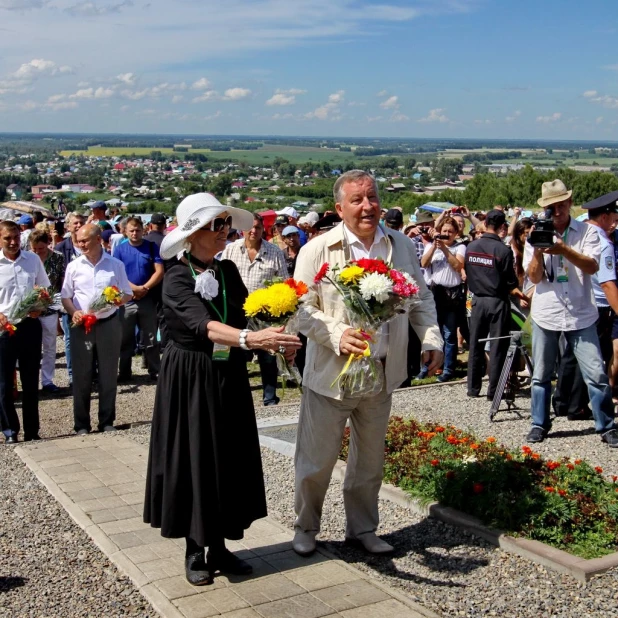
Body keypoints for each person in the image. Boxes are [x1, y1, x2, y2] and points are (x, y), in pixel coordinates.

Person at [143, 193, 300, 585]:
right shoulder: (177, 277)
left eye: (226, 223)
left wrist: (284, 324)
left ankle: (222, 546)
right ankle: (195, 548)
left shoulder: (228, 270)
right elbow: (204, 326)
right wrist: (251, 340)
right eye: (216, 225)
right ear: (192, 234)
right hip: (191, 376)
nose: (224, 231)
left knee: (228, 455)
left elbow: (249, 310)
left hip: (227, 373)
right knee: (195, 456)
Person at [292, 170, 443, 557]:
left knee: (370, 462)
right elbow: (301, 309)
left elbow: (420, 297)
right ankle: (306, 526)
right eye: (357, 200)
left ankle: (362, 529)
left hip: (380, 373)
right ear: (339, 208)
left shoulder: (400, 245)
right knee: (316, 460)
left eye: (372, 197)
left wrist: (430, 337)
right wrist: (336, 334)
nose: (367, 206)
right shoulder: (318, 249)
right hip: (330, 375)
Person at [523, 180, 618, 446]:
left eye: (561, 205)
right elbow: (534, 277)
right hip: (547, 313)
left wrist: (563, 249)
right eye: (551, 207)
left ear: (569, 203)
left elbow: (591, 266)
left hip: (580, 313)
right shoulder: (536, 234)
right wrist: (539, 253)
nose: (557, 211)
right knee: (540, 375)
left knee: (596, 374)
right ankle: (539, 424)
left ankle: (606, 425)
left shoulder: (586, 232)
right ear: (545, 208)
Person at [61, 224, 133, 435]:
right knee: (82, 376)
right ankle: (81, 424)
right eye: (78, 240)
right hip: (81, 326)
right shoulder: (74, 266)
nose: (80, 244)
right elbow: (65, 296)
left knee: (108, 375)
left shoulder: (115, 264)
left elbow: (127, 293)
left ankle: (106, 420)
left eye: (84, 240)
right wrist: (73, 311)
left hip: (108, 323)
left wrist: (115, 300)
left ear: (98, 239)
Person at [553, 192, 618, 419]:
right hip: (598, 306)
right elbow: (608, 282)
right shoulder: (603, 242)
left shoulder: (578, 232)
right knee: (589, 359)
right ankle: (577, 406)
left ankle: (562, 402)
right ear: (605, 216)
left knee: (570, 357)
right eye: (614, 215)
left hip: (574, 300)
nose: (616, 220)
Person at [221, 213, 288, 406]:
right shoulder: (231, 250)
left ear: (263, 229)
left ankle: (269, 397)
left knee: (268, 358)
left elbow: (283, 284)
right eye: (250, 227)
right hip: (236, 314)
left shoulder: (274, 252)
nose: (253, 231)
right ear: (242, 229)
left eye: (258, 227)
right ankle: (237, 397)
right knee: (237, 358)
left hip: (265, 315)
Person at [465, 210, 527, 400]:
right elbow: (510, 281)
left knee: (475, 344)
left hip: (477, 300)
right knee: (498, 346)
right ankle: (494, 390)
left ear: (485, 224)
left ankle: (473, 388)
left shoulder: (471, 246)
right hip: (498, 301)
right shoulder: (503, 250)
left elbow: (468, 271)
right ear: (502, 227)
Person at [0, 221, 50, 443]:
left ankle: (32, 431)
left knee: (30, 381)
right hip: (4, 329)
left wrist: (39, 306)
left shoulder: (32, 260)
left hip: (29, 326)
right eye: (7, 238)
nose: (12, 242)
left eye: (16, 237)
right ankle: (10, 430)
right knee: (3, 383)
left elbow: (44, 289)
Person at [113, 217, 164, 382]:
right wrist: (133, 288)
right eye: (131, 231)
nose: (135, 233)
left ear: (144, 230)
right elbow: (116, 274)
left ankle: (155, 370)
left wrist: (145, 288)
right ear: (125, 231)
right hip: (127, 300)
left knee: (150, 338)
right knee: (125, 339)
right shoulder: (120, 250)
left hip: (147, 299)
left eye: (138, 230)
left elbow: (159, 270)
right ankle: (125, 372)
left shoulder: (151, 247)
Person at [419, 216, 466, 382]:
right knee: (432, 332)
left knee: (449, 334)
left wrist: (445, 249)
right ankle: (428, 366)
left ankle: (448, 368)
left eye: (450, 232)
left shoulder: (460, 247)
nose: (447, 234)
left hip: (451, 293)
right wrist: (434, 246)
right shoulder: (433, 246)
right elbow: (423, 264)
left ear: (456, 233)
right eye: (444, 231)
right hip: (434, 292)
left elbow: (458, 266)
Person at [30, 230, 65, 394]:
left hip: (50, 308)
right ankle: (29, 381)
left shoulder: (58, 258)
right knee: (29, 347)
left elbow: (62, 283)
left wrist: (58, 303)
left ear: (48, 245)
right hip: (28, 311)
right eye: (34, 249)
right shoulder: (27, 259)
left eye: (41, 249)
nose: (37, 252)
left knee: (50, 346)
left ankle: (47, 380)